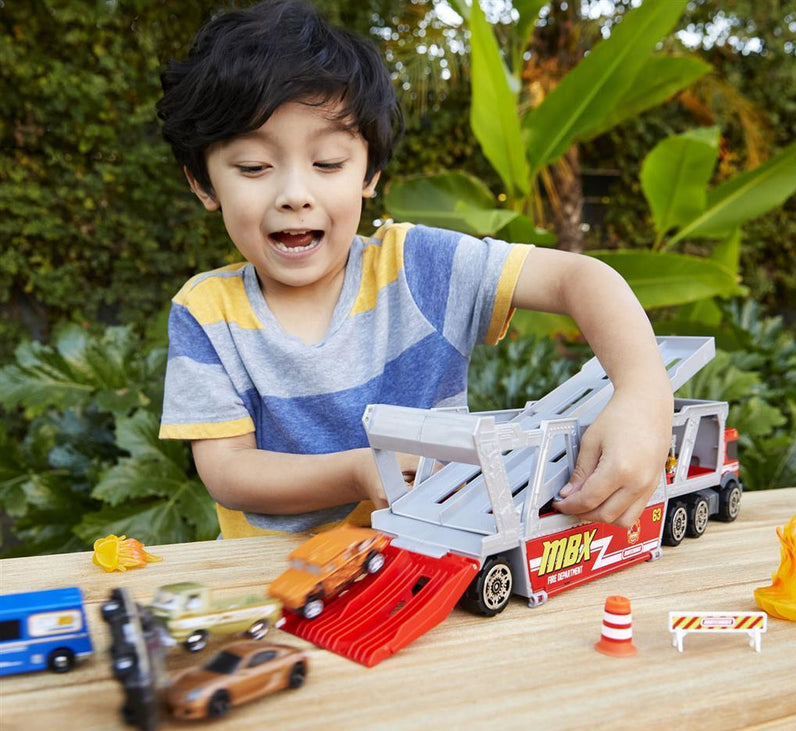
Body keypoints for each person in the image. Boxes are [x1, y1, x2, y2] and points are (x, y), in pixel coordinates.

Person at [157, 0, 674, 540]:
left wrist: (643, 396)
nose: (294, 195)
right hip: (270, 577)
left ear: (370, 172)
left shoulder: (423, 269)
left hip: (433, 550)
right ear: (204, 182)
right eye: (254, 168)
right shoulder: (206, 311)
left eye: (328, 163)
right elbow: (228, 472)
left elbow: (582, 278)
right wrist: (360, 470)